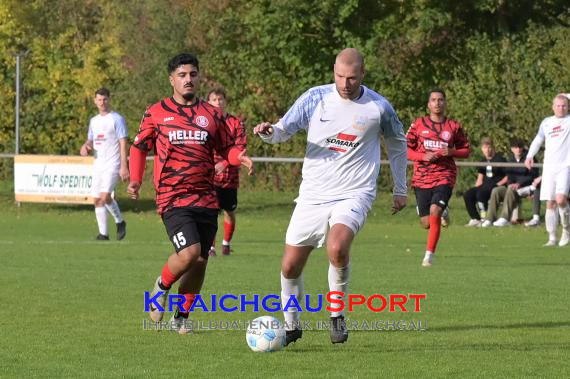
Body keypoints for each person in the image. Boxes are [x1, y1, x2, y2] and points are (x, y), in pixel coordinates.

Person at [253, 48, 408, 346]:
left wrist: (400, 188)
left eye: (351, 78)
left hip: (355, 192)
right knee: (290, 267)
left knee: (337, 248)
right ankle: (292, 326)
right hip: (313, 194)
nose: (345, 83)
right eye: (339, 76)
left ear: (362, 73)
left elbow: (398, 144)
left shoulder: (379, 107)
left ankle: (336, 315)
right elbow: (283, 129)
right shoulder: (315, 98)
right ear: (333, 71)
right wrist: (267, 132)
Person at [127, 53, 253, 334]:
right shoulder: (156, 112)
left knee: (200, 262)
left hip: (206, 198)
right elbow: (139, 147)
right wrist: (135, 179)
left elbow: (226, 148)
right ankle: (160, 287)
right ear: (172, 79)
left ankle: (181, 318)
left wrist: (237, 157)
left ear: (198, 78)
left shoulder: (212, 115)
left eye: (193, 74)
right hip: (172, 197)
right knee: (189, 252)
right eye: (182, 75)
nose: (188, 80)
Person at [406, 88, 470, 267]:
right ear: (428, 104)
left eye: (440, 100)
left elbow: (466, 150)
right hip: (422, 177)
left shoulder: (453, 127)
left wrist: (452, 151)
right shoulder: (418, 124)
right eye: (433, 100)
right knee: (426, 223)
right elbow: (404, 149)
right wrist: (421, 156)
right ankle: (444, 212)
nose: (437, 103)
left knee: (435, 212)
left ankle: (428, 256)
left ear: (445, 103)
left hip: (445, 175)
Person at [80, 87, 128, 241]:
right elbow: (90, 139)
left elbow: (122, 142)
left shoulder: (116, 119)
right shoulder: (93, 121)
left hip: (113, 163)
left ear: (109, 99)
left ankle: (120, 221)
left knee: (105, 196)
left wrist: (124, 165)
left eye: (105, 99)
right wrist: (86, 146)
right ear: (95, 101)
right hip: (98, 164)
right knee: (96, 199)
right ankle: (103, 234)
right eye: (99, 100)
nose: (102, 102)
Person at [206, 88, 247, 256]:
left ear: (225, 102)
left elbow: (240, 148)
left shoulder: (235, 123)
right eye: (214, 100)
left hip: (230, 178)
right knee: (211, 212)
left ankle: (226, 243)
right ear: (208, 102)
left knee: (229, 212)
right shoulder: (204, 123)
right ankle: (211, 247)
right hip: (209, 177)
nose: (218, 103)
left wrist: (225, 162)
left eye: (220, 99)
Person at [525, 94, 570, 246]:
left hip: (565, 166)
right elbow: (538, 140)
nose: (561, 108)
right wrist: (530, 155)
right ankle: (552, 238)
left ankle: (566, 229)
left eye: (564, 105)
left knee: (561, 199)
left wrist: (565, 96)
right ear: (552, 107)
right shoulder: (547, 122)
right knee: (550, 203)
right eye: (558, 105)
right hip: (549, 167)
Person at [481, 139, 539, 227]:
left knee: (511, 190)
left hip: (528, 187)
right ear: (512, 149)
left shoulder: (530, 158)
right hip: (514, 187)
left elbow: (532, 175)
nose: (518, 149)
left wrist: (519, 183)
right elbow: (509, 175)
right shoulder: (511, 159)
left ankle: (504, 218)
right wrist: (511, 183)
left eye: (520, 147)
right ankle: (489, 219)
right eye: (515, 147)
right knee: (496, 190)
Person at [463, 137, 508, 226]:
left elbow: (508, 176)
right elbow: (480, 178)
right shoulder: (482, 161)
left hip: (496, 186)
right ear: (481, 149)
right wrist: (475, 189)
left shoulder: (500, 159)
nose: (487, 150)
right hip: (484, 186)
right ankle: (475, 218)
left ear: (493, 148)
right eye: (484, 148)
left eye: (489, 147)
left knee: (481, 194)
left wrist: (499, 184)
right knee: (468, 194)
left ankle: (485, 218)